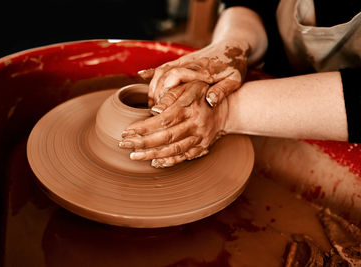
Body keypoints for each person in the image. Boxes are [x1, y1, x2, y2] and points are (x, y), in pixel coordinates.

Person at [119, 0, 361, 168]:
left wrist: (225, 111)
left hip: (322, 122)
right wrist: (231, 46)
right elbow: (251, 3)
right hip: (273, 90)